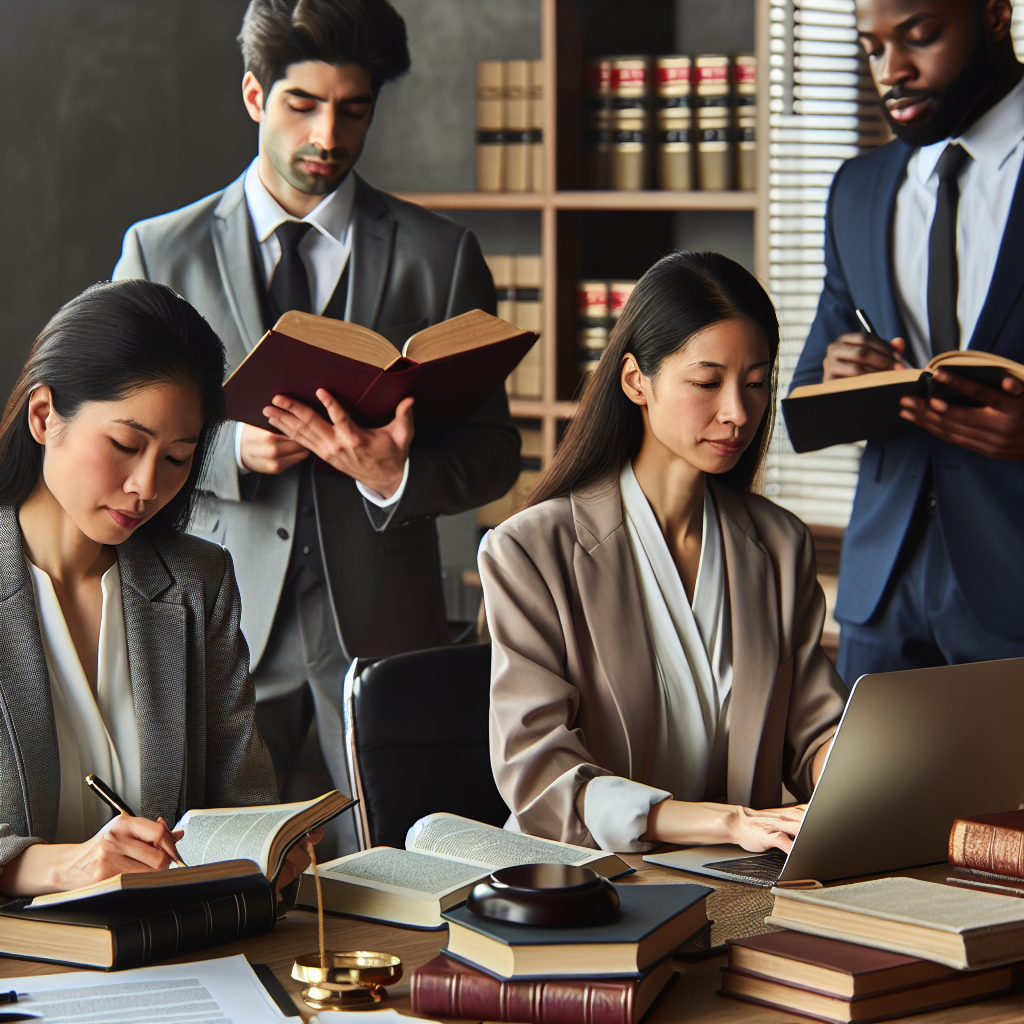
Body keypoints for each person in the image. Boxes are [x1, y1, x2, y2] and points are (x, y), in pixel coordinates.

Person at [111, 0, 520, 850]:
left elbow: (493, 456)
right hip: (214, 623)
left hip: (384, 637)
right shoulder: (160, 251)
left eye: (354, 108)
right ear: (257, 96)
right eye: (303, 104)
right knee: (213, 869)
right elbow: (108, 429)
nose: (329, 135)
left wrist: (391, 475)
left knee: (410, 873)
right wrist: (228, 450)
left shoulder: (439, 255)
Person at [478, 252, 848, 853]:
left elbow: (815, 727)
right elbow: (539, 773)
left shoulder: (779, 544)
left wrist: (858, 778)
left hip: (741, 872)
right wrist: (726, 822)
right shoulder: (528, 550)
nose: (738, 412)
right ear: (635, 381)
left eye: (756, 384)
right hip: (585, 881)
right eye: (707, 383)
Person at [0, 280, 316, 897]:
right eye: (125, 444)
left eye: (176, 459)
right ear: (44, 416)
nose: (146, 486)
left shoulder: (198, 583)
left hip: (170, 952)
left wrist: (265, 849)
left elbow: (241, 802)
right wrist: (60, 867)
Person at [790, 0, 1024, 681]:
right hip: (880, 594)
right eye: (871, 48)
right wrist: (842, 378)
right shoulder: (856, 189)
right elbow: (805, 396)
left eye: (920, 37)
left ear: (994, 14)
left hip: (1015, 589)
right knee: (872, 793)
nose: (892, 70)